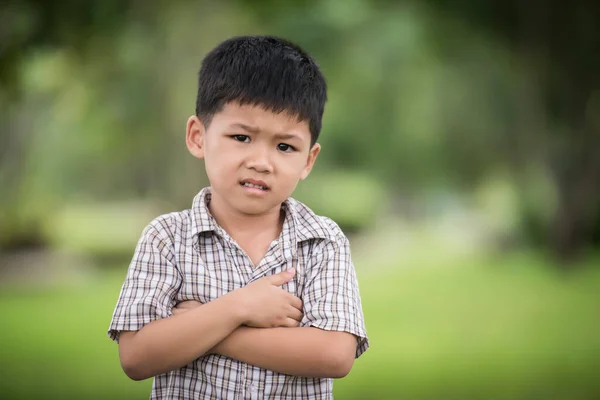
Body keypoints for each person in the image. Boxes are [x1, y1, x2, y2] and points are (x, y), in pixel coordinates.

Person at [107, 35, 369, 400]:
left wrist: (211, 331)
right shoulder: (167, 238)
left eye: (284, 146)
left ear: (308, 160)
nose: (261, 161)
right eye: (242, 137)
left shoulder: (321, 241)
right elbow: (136, 355)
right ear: (198, 137)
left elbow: (334, 354)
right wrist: (240, 306)